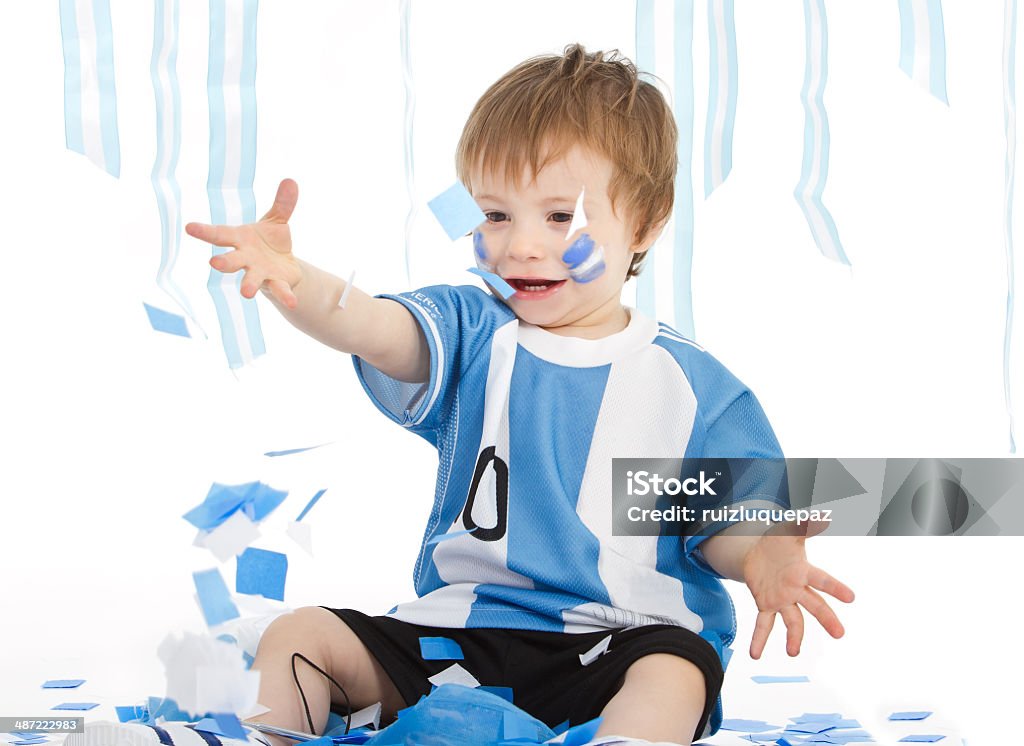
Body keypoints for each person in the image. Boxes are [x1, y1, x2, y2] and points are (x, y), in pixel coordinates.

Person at [68, 44, 853, 746]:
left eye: (558, 216)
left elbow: (711, 523)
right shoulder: (478, 333)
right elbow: (377, 328)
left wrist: (760, 555)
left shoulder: (690, 389)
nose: (521, 244)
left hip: (617, 645)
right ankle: (255, 736)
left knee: (675, 674)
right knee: (303, 634)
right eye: (495, 215)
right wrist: (296, 283)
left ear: (643, 221)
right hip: (457, 640)